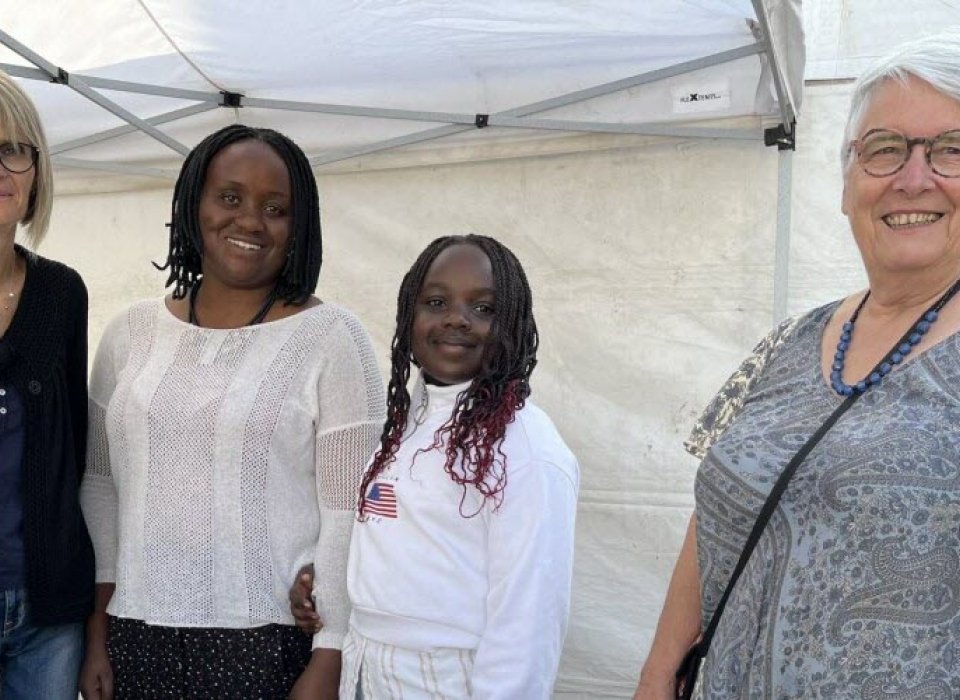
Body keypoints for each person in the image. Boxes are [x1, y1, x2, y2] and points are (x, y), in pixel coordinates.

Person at [635, 32, 960, 700]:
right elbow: (717, 512)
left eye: (952, 150)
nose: (913, 177)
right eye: (884, 149)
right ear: (846, 183)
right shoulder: (789, 343)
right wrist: (657, 674)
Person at [78, 124, 385, 699]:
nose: (249, 221)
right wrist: (96, 630)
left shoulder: (332, 337)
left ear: (300, 227)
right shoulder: (129, 335)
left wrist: (331, 655)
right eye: (230, 198)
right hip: (134, 638)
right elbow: (101, 489)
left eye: (276, 208)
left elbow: (349, 510)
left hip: (268, 643)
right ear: (192, 204)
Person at [290, 234, 580, 698]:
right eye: (437, 301)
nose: (456, 319)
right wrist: (326, 583)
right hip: (365, 662)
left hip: (447, 678)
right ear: (409, 317)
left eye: (483, 308)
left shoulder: (527, 450)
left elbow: (528, 624)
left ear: (513, 325)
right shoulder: (404, 427)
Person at [0, 70, 92, 700]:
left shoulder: (62, 292)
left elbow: (77, 455)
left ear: (35, 173)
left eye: (12, 148)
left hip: (47, 609)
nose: (0, 167)